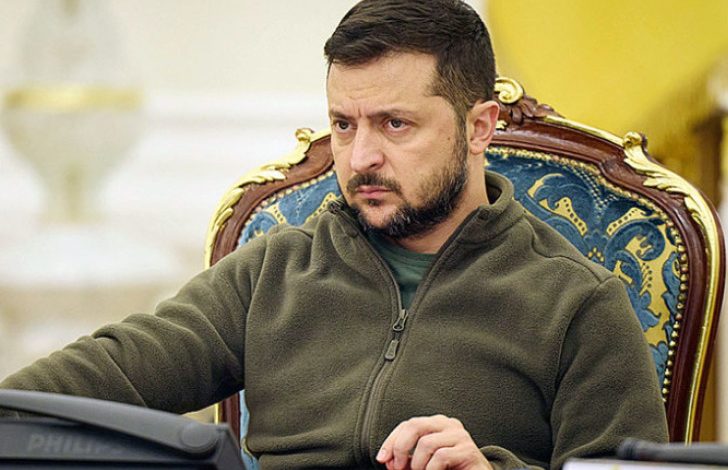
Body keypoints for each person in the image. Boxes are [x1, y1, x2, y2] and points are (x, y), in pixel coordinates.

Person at [0, 1, 668, 469]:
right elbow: (99, 377)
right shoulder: (275, 270)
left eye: (395, 125)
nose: (360, 157)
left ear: (478, 127)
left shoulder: (577, 303)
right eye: (344, 124)